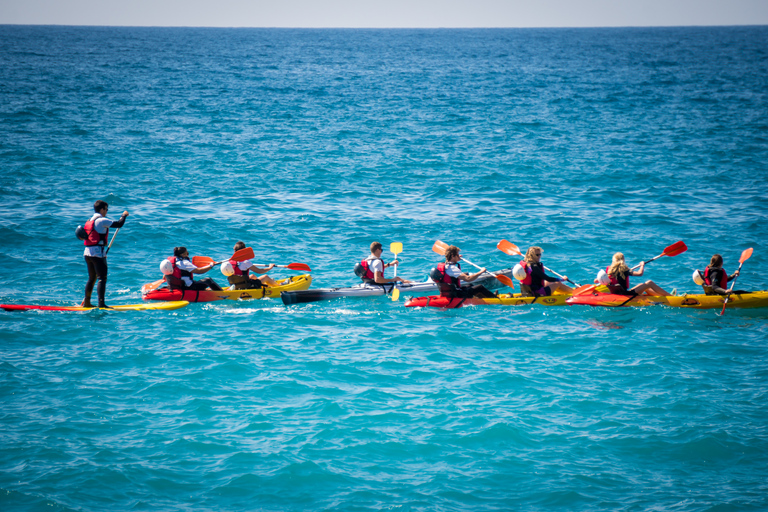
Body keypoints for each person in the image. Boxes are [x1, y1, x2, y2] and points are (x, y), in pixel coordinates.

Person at [81, 200, 128, 308]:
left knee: (91, 278)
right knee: (102, 278)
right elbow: (119, 224)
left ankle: (87, 302)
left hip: (87, 253)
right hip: (97, 253)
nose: (107, 211)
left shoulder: (89, 220)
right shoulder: (101, 220)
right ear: (101, 209)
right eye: (106, 209)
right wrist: (124, 215)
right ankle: (101, 304)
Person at [431, 245, 495, 298]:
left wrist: (457, 258)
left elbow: (451, 266)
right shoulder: (452, 268)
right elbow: (468, 279)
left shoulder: (445, 266)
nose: (459, 256)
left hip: (449, 292)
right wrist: (481, 272)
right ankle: (495, 298)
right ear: (453, 256)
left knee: (470, 285)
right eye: (457, 255)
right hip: (456, 294)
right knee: (479, 287)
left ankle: (483, 297)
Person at [603, 252, 671, 296]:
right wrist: (642, 265)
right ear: (623, 260)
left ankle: (662, 297)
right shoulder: (625, 270)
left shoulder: (609, 270)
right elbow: (640, 273)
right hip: (625, 295)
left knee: (642, 285)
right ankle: (671, 296)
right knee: (649, 283)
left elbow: (601, 280)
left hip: (617, 293)